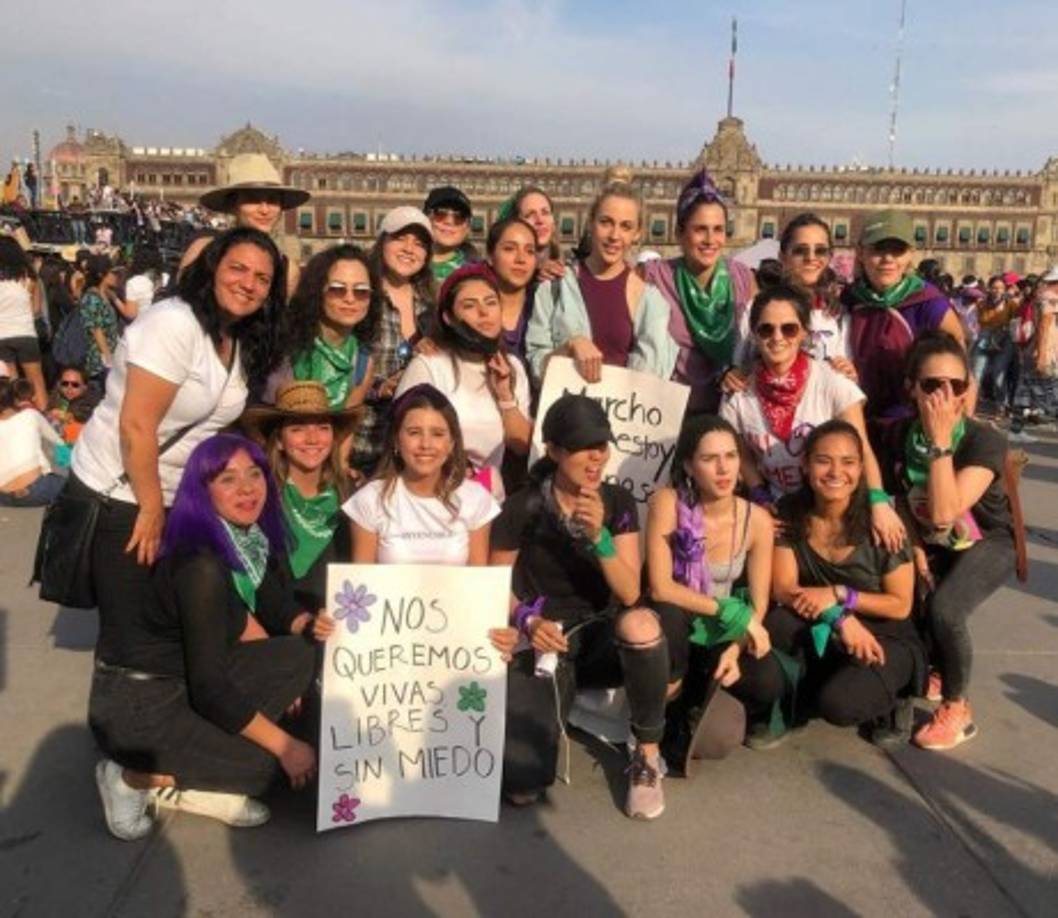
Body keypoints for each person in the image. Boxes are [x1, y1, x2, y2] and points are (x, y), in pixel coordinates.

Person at [69, 226, 283, 677]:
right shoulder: (174, 321)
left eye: (262, 278)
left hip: (171, 494)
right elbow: (136, 424)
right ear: (212, 270)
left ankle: (153, 727)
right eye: (238, 268)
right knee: (129, 632)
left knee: (165, 618)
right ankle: (116, 734)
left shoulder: (235, 336)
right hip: (123, 492)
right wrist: (149, 509)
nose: (248, 282)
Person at [89, 434, 321, 840]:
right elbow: (210, 689)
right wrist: (285, 746)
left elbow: (271, 604)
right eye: (227, 479)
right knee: (271, 769)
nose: (247, 489)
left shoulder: (244, 540)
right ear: (202, 490)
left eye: (254, 474)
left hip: (183, 685)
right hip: (139, 710)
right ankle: (131, 776)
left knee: (298, 656)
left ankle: (202, 780)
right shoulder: (200, 566)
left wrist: (309, 624)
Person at [491, 394, 680, 819]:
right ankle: (561, 708)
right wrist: (527, 617)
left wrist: (601, 539)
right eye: (583, 446)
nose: (597, 457)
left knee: (642, 624)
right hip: (547, 639)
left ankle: (647, 757)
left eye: (603, 445)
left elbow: (631, 592)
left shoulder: (618, 502)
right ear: (555, 451)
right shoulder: (522, 506)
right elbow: (495, 581)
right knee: (522, 783)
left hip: (601, 634)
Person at [881, 332, 1015, 750]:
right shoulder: (898, 434)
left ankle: (958, 708)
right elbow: (901, 499)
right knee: (907, 588)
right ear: (910, 388)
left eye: (955, 386)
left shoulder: (981, 440)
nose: (944, 395)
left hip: (987, 543)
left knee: (946, 610)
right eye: (931, 385)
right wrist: (916, 552)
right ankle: (940, 664)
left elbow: (944, 512)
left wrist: (940, 443)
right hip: (933, 543)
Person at [769, 420, 923, 740]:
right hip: (831, 624)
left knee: (839, 705)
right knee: (778, 624)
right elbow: (783, 588)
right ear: (806, 465)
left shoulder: (882, 523)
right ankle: (804, 692)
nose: (836, 472)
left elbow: (900, 605)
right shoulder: (791, 510)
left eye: (848, 462)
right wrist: (839, 616)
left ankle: (896, 697)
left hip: (885, 632)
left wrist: (841, 594)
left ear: (862, 468)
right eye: (823, 460)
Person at [721, 285, 905, 549]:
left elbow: (860, 446)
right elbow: (741, 451)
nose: (777, 337)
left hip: (832, 504)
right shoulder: (737, 394)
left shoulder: (832, 382)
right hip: (777, 508)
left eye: (789, 328)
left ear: (804, 333)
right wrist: (759, 494)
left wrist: (878, 501)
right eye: (766, 329)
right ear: (754, 335)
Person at [645, 415, 782, 754]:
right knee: (668, 615)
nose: (723, 469)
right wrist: (733, 612)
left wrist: (736, 648)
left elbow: (759, 602)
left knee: (767, 682)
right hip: (678, 622)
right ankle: (670, 704)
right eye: (709, 459)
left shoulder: (758, 520)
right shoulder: (668, 502)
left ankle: (702, 698)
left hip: (720, 631)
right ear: (690, 466)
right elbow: (661, 587)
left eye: (731, 456)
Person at [395, 263, 531, 499]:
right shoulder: (429, 365)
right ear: (449, 317)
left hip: (487, 501)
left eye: (491, 302)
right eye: (469, 305)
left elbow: (521, 444)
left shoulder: (513, 367)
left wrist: (505, 397)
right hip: (432, 496)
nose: (484, 312)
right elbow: (400, 437)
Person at [526, 182, 676, 386]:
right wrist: (569, 347)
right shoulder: (554, 287)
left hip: (625, 413)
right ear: (591, 222)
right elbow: (536, 367)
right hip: (568, 413)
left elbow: (655, 377)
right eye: (606, 222)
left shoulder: (650, 300)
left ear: (638, 233)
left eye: (626, 226)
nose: (614, 236)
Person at [639, 170, 756, 412]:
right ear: (679, 234)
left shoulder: (743, 278)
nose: (710, 239)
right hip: (666, 416)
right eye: (700, 229)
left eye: (719, 229)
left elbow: (761, 339)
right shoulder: (654, 276)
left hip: (726, 414)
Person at [242, 380, 358, 612]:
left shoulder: (353, 498)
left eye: (323, 427)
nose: (312, 438)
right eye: (297, 429)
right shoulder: (259, 498)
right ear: (279, 441)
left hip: (341, 631)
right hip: (279, 633)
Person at [842, 210, 964, 421]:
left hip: (914, 418)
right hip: (858, 412)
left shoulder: (929, 302)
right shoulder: (849, 299)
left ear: (910, 254)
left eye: (897, 250)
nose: (887, 259)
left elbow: (958, 359)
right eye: (878, 250)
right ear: (860, 253)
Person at [350, 207, 435, 476]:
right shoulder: (360, 295)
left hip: (413, 451)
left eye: (420, 244)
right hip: (363, 442)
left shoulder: (432, 302)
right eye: (400, 238)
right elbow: (339, 360)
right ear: (382, 241)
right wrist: (378, 387)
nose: (410, 249)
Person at [266, 243, 378, 418]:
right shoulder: (285, 347)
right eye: (337, 289)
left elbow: (344, 431)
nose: (350, 299)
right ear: (317, 291)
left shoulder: (363, 361)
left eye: (361, 292)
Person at [184, 153, 310, 300]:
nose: (264, 210)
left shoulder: (287, 270)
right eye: (253, 199)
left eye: (272, 200)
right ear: (233, 205)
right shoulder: (204, 249)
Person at [778, 213, 856, 373]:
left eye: (820, 251)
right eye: (800, 250)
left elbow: (846, 374)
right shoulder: (759, 309)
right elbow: (740, 369)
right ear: (783, 257)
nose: (811, 258)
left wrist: (849, 374)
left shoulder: (839, 315)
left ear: (829, 257)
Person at [1009, 266, 1058, 442]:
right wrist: (1043, 353)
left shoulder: (1041, 297)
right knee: (1052, 394)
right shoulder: (1051, 300)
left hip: (1033, 349)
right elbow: (1044, 326)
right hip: (1044, 350)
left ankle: (1015, 430)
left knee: (1024, 392)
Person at [0, 378, 65, 506]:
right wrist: (68, 469)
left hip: (3, 497)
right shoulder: (30, 415)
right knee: (70, 482)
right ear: (15, 399)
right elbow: (59, 445)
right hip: (37, 491)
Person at [0, 236, 46, 409]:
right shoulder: (29, 278)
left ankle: (14, 416)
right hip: (26, 333)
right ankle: (43, 417)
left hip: (1, 335)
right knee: (36, 381)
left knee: (11, 383)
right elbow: (36, 310)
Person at [485, 216, 539, 361]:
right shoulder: (475, 308)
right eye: (509, 249)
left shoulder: (545, 307)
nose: (521, 259)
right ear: (490, 256)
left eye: (530, 251)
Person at [970, 275, 1016, 413]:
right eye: (994, 288)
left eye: (1000, 288)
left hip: (1003, 340)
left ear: (1004, 289)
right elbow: (976, 321)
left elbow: (1015, 322)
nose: (997, 290)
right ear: (989, 289)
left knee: (998, 374)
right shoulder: (981, 304)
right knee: (976, 374)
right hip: (984, 338)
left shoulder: (1011, 304)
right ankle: (970, 406)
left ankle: (1001, 406)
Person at [498, 185, 564, 280]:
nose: (540, 220)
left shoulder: (570, 273)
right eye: (529, 215)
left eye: (545, 212)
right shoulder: (500, 276)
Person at [78, 254, 122, 386]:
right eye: (112, 273)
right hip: (98, 361)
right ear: (101, 275)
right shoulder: (92, 298)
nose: (116, 276)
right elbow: (96, 330)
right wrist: (108, 358)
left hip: (108, 356)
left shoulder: (106, 295)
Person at [423, 185, 478, 283]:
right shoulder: (408, 264)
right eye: (440, 214)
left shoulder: (478, 272)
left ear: (467, 227)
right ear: (425, 217)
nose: (449, 221)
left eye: (459, 217)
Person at [124, 246, 166, 318]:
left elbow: (131, 315)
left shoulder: (134, 282)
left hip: (140, 324)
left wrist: (114, 298)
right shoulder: (165, 277)